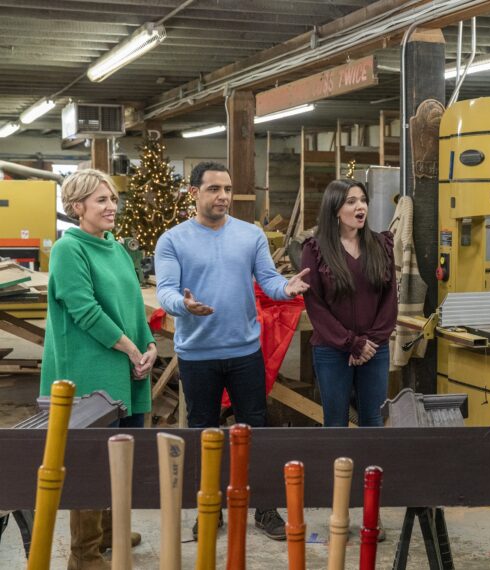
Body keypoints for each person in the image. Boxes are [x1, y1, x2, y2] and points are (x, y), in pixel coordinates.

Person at [155, 161, 309, 541]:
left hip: (244, 352)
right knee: (202, 434)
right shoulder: (173, 240)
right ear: (194, 193)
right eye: (213, 189)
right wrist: (183, 305)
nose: (223, 196)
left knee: (256, 432)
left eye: (226, 189)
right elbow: (167, 291)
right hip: (197, 354)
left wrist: (286, 288)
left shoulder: (249, 235)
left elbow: (269, 279)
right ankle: (209, 510)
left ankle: (266, 509)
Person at [40, 169, 156, 570]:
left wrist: (150, 347)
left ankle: (109, 532)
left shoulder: (116, 248)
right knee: (90, 462)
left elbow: (135, 306)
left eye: (112, 198)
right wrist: (129, 349)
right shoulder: (68, 249)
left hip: (123, 365)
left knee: (120, 455)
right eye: (101, 200)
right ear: (77, 208)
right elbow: (85, 310)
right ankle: (84, 553)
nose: (112, 206)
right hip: (88, 374)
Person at [300, 179, 397, 428]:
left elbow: (389, 299)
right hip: (332, 350)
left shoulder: (381, 245)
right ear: (335, 209)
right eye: (351, 202)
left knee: (373, 420)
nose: (360, 207)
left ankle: (370, 468)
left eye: (363, 200)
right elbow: (315, 305)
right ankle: (339, 468)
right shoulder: (315, 249)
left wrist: (369, 342)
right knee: (335, 423)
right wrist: (351, 343)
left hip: (374, 349)